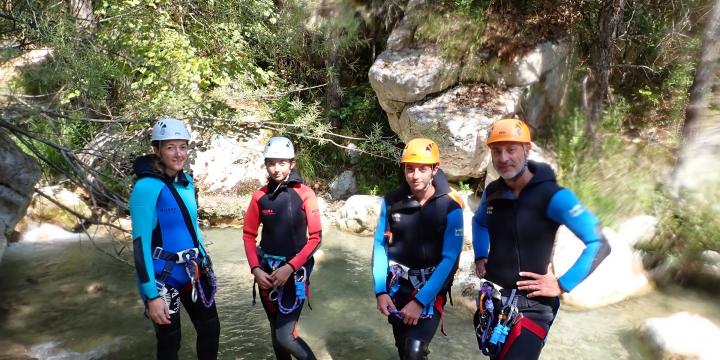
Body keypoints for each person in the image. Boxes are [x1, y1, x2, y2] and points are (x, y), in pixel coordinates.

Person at [472, 118, 611, 360]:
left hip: (533, 308)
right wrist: (480, 255)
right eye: (497, 151)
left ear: (527, 149)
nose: (503, 158)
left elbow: (599, 243)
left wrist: (561, 285)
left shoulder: (553, 196)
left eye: (511, 149)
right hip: (497, 301)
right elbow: (479, 222)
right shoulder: (493, 192)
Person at [130, 118, 220, 360]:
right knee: (170, 343)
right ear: (157, 150)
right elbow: (140, 246)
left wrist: (205, 260)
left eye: (182, 146)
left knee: (210, 329)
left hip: (192, 270)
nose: (178, 153)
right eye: (170, 147)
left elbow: (192, 228)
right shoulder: (146, 187)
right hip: (162, 278)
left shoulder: (187, 182)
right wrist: (152, 296)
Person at [372, 138, 465, 360]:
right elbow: (380, 245)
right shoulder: (393, 201)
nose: (415, 176)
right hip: (396, 289)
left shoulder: (451, 206)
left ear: (435, 169)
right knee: (403, 348)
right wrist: (380, 291)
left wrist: (420, 301)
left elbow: (450, 258)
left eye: (423, 169)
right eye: (410, 169)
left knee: (413, 351)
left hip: (430, 291)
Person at [242, 136, 321, 360]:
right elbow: (248, 235)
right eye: (271, 163)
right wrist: (256, 269)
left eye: (282, 163)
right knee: (275, 329)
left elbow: (315, 237)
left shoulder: (305, 193)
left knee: (285, 336)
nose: (276, 169)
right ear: (266, 163)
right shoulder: (259, 197)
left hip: (295, 273)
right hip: (266, 271)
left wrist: (290, 267)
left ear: (292, 163)